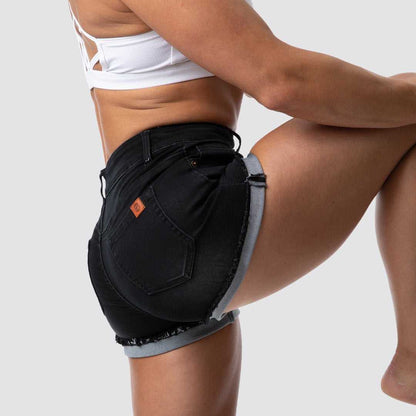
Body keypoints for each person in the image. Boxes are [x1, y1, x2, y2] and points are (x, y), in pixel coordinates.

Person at [68, 0, 416, 414]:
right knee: (405, 105)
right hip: (180, 211)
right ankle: (413, 363)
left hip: (136, 227)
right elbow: (279, 79)